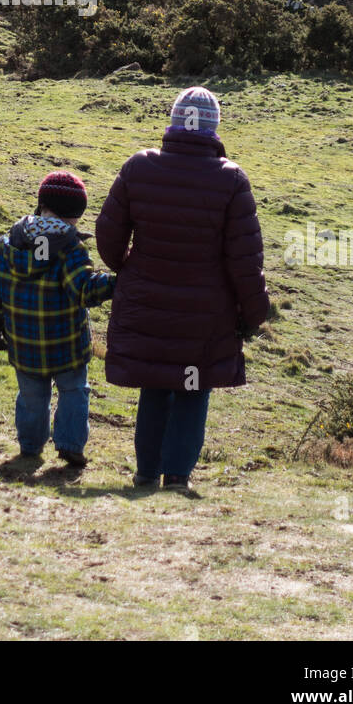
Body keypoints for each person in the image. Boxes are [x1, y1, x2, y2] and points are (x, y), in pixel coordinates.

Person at [96, 87, 268, 495]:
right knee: (192, 389)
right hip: (206, 314)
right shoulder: (230, 179)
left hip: (149, 304)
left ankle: (145, 473)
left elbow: (107, 237)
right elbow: (245, 259)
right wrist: (254, 313)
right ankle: (177, 476)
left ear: (173, 122)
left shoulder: (139, 167)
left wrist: (130, 270)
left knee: (155, 385)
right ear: (213, 129)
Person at [0, 170, 115, 469]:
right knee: (73, 392)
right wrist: (115, 284)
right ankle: (69, 444)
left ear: (41, 204)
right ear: (73, 215)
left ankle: (30, 447)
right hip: (66, 344)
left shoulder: (5, 246)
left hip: (23, 342)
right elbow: (83, 290)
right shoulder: (69, 249)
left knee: (32, 396)